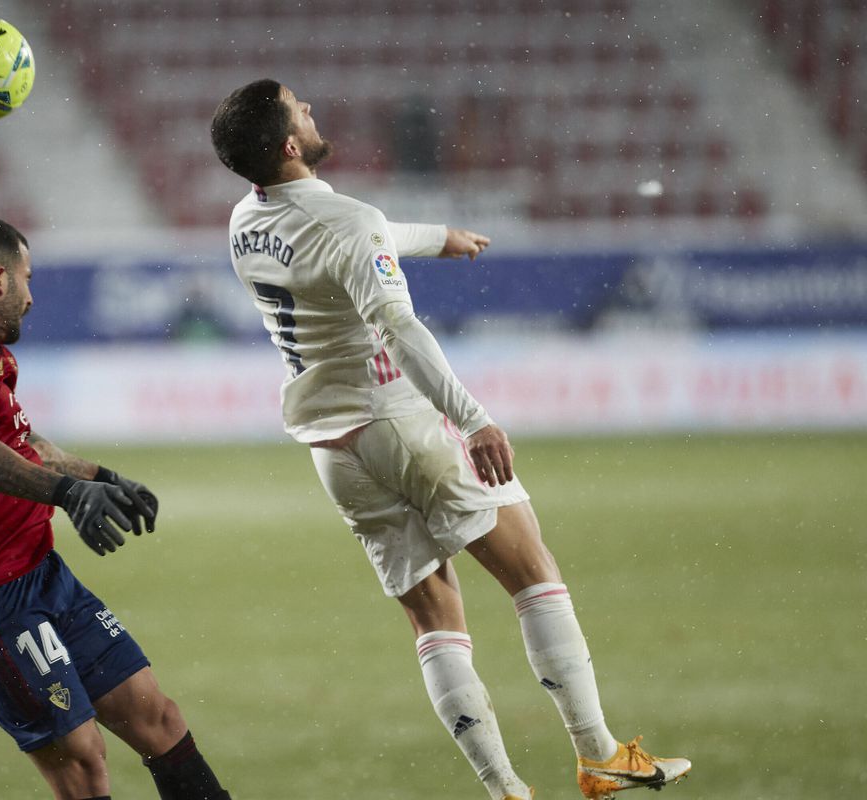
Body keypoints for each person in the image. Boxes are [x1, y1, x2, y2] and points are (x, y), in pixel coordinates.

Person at [210, 80, 691, 800]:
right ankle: (599, 757)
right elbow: (399, 322)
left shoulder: (245, 220)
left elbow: (354, 235)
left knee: (433, 617)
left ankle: (504, 790)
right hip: (401, 421)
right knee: (534, 574)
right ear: (287, 144)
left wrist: (438, 238)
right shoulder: (349, 221)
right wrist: (474, 418)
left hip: (333, 449)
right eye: (299, 108)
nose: (312, 109)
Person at [0, 215, 232, 800]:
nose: (31, 292)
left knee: (159, 720)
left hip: (42, 575)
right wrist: (71, 495)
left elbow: (22, 443)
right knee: (82, 761)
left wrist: (102, 477)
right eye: (25, 277)